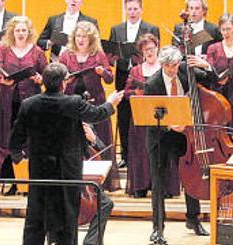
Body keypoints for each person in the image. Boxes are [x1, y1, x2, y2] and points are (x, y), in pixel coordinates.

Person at [9, 62, 120, 245]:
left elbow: (15, 140)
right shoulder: (73, 103)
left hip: (39, 174)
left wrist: (20, 157)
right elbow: (97, 114)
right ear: (63, 82)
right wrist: (112, 102)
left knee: (34, 227)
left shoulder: (29, 104)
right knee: (67, 227)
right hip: (66, 174)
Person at [143, 45, 215, 240]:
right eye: (169, 66)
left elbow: (212, 81)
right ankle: (158, 227)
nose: (173, 70)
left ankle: (193, 219)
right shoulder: (152, 84)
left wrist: (206, 65)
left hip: (184, 135)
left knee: (190, 176)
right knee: (158, 181)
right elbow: (149, 118)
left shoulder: (185, 70)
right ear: (162, 65)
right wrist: (169, 125)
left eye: (175, 65)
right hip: (160, 137)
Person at [0, 16, 47, 181]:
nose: (21, 33)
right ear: (12, 32)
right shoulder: (4, 49)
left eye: (24, 30)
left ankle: (29, 175)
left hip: (30, 99)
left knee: (28, 135)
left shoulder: (37, 51)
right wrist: (1, 79)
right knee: (8, 135)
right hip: (7, 98)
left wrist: (41, 79)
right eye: (17, 30)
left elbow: (45, 73)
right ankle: (8, 176)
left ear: (29, 32)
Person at [61, 21, 116, 189]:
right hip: (72, 101)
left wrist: (102, 72)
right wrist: (66, 78)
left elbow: (109, 78)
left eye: (84, 36)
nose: (81, 39)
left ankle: (103, 180)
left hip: (95, 100)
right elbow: (60, 76)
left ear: (90, 38)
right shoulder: (66, 54)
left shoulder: (98, 54)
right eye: (78, 36)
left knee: (99, 137)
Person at [108, 0, 159, 170]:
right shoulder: (116, 29)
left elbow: (155, 51)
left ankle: (146, 154)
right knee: (124, 114)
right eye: (129, 9)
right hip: (123, 74)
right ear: (125, 9)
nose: (132, 12)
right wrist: (113, 57)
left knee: (146, 114)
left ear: (141, 10)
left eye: (135, 9)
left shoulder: (151, 28)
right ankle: (125, 154)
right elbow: (110, 54)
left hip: (146, 73)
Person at [124, 34, 169, 198]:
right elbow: (126, 93)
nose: (149, 52)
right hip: (141, 117)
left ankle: (162, 187)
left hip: (161, 116)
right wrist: (136, 92)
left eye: (152, 48)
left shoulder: (164, 68)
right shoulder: (136, 70)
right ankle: (141, 185)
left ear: (157, 48)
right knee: (140, 150)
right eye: (145, 50)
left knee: (161, 151)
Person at [78, 123, 114, 245]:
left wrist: (93, 139)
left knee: (106, 203)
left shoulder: (86, 126)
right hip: (64, 179)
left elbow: (104, 153)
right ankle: (60, 244)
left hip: (86, 183)